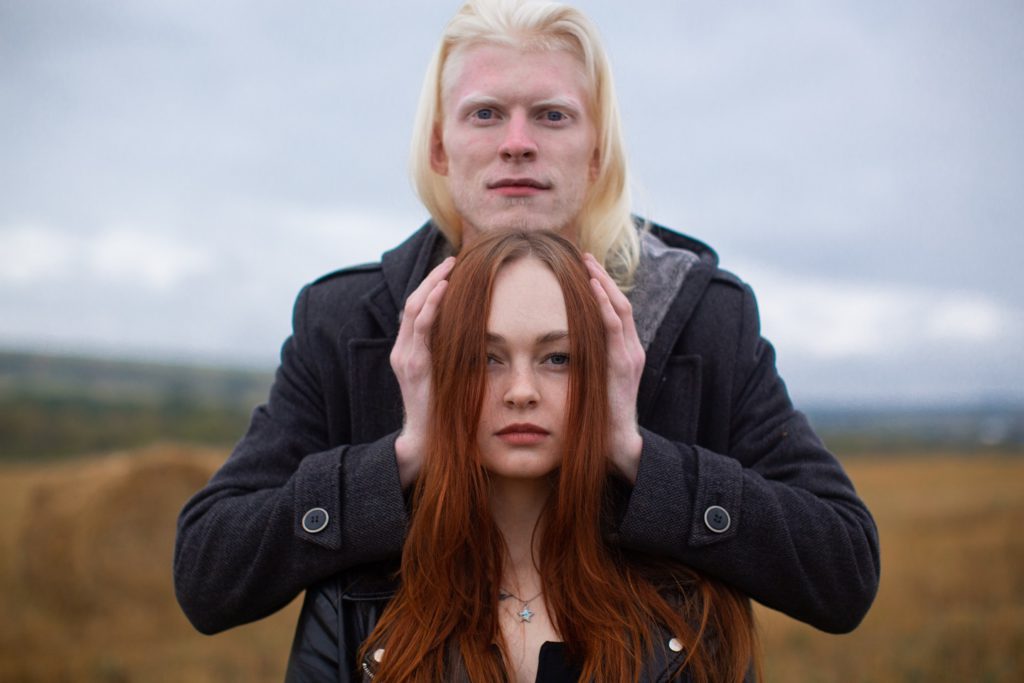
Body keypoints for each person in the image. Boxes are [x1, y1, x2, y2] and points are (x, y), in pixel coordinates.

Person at [174, 0, 879, 642]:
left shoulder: (702, 318)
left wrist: (638, 456)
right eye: (485, 113)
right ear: (440, 148)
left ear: (597, 149)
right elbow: (209, 573)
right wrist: (403, 457)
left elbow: (843, 569)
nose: (517, 142)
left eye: (551, 114)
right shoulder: (347, 322)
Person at [285, 231, 761, 682]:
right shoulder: (350, 604)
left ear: (605, 373)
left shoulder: (697, 608)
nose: (521, 392)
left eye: (558, 358)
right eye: (485, 358)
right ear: (435, 373)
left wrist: (624, 439)